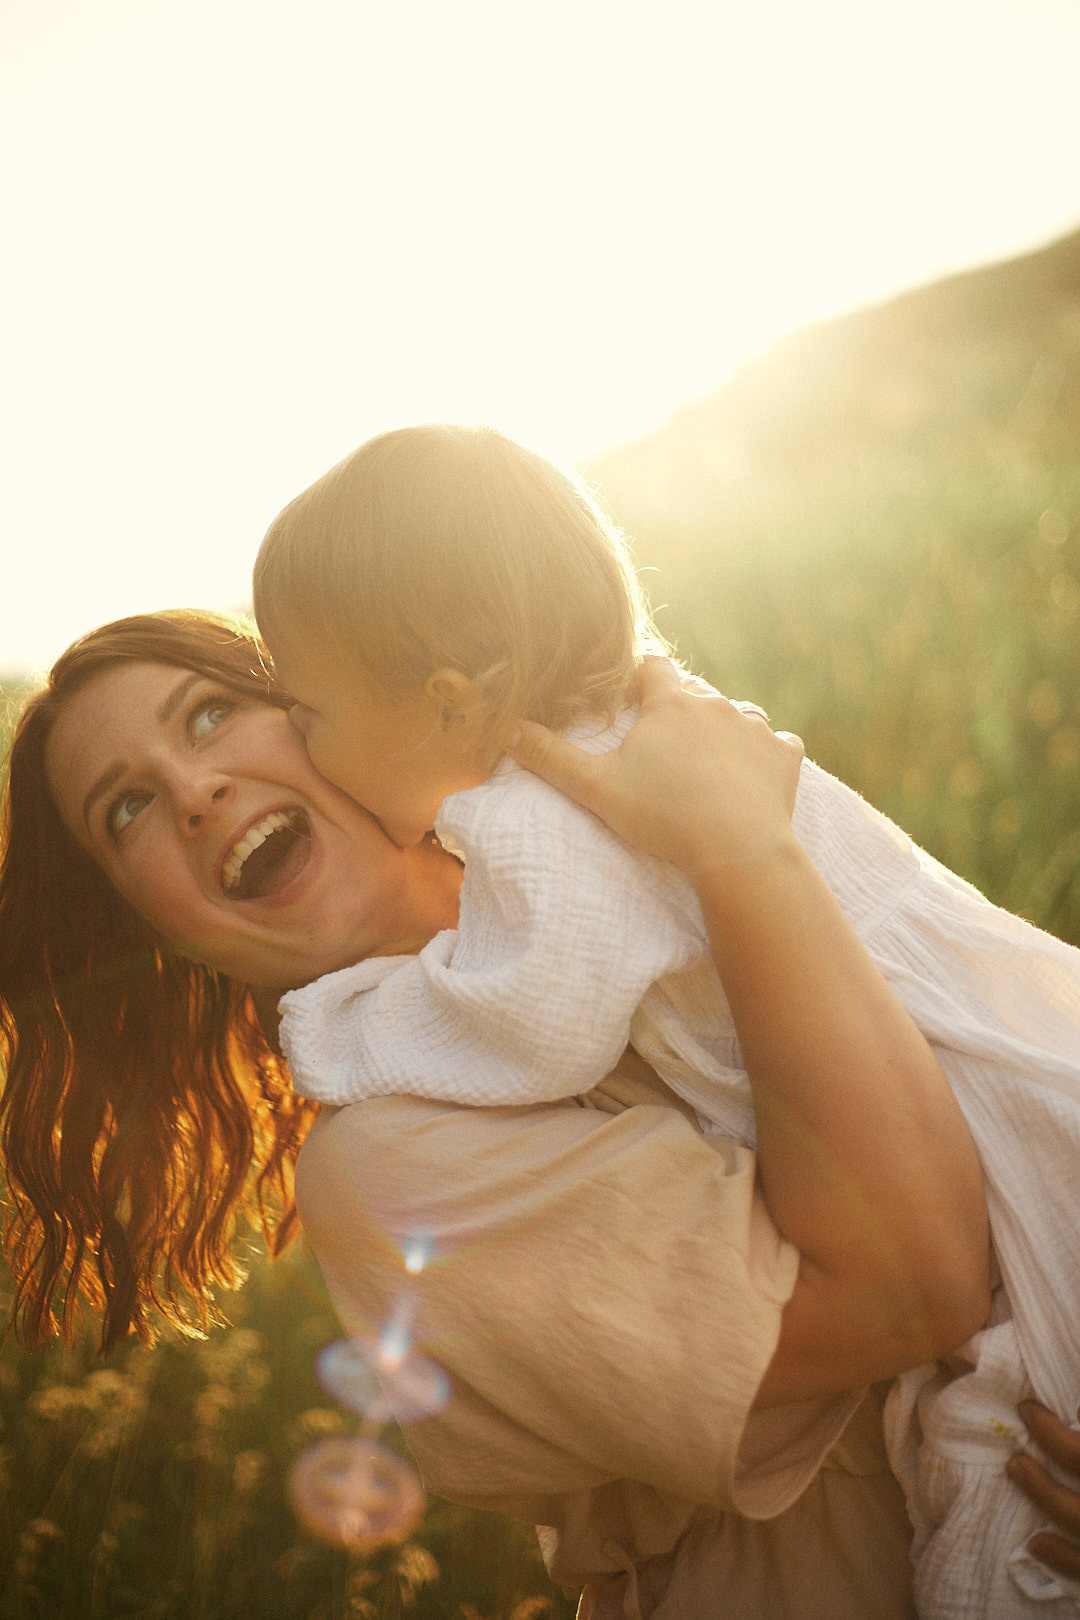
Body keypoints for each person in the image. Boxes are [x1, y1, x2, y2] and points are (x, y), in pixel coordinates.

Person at [1, 607, 994, 1619]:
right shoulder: (384, 1168)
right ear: (150, 928)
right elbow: (909, 1293)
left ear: (315, 709)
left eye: (210, 715)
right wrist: (740, 843)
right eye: (126, 809)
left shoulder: (605, 835)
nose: (192, 791)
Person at [253, 423, 1080, 1615]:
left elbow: (536, 1021)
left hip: (1000, 1141)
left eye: (308, 708)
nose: (305, 745)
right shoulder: (654, 733)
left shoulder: (542, 812)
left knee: (1008, 1509)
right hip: (1001, 1083)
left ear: (442, 702)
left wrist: (347, 1032)